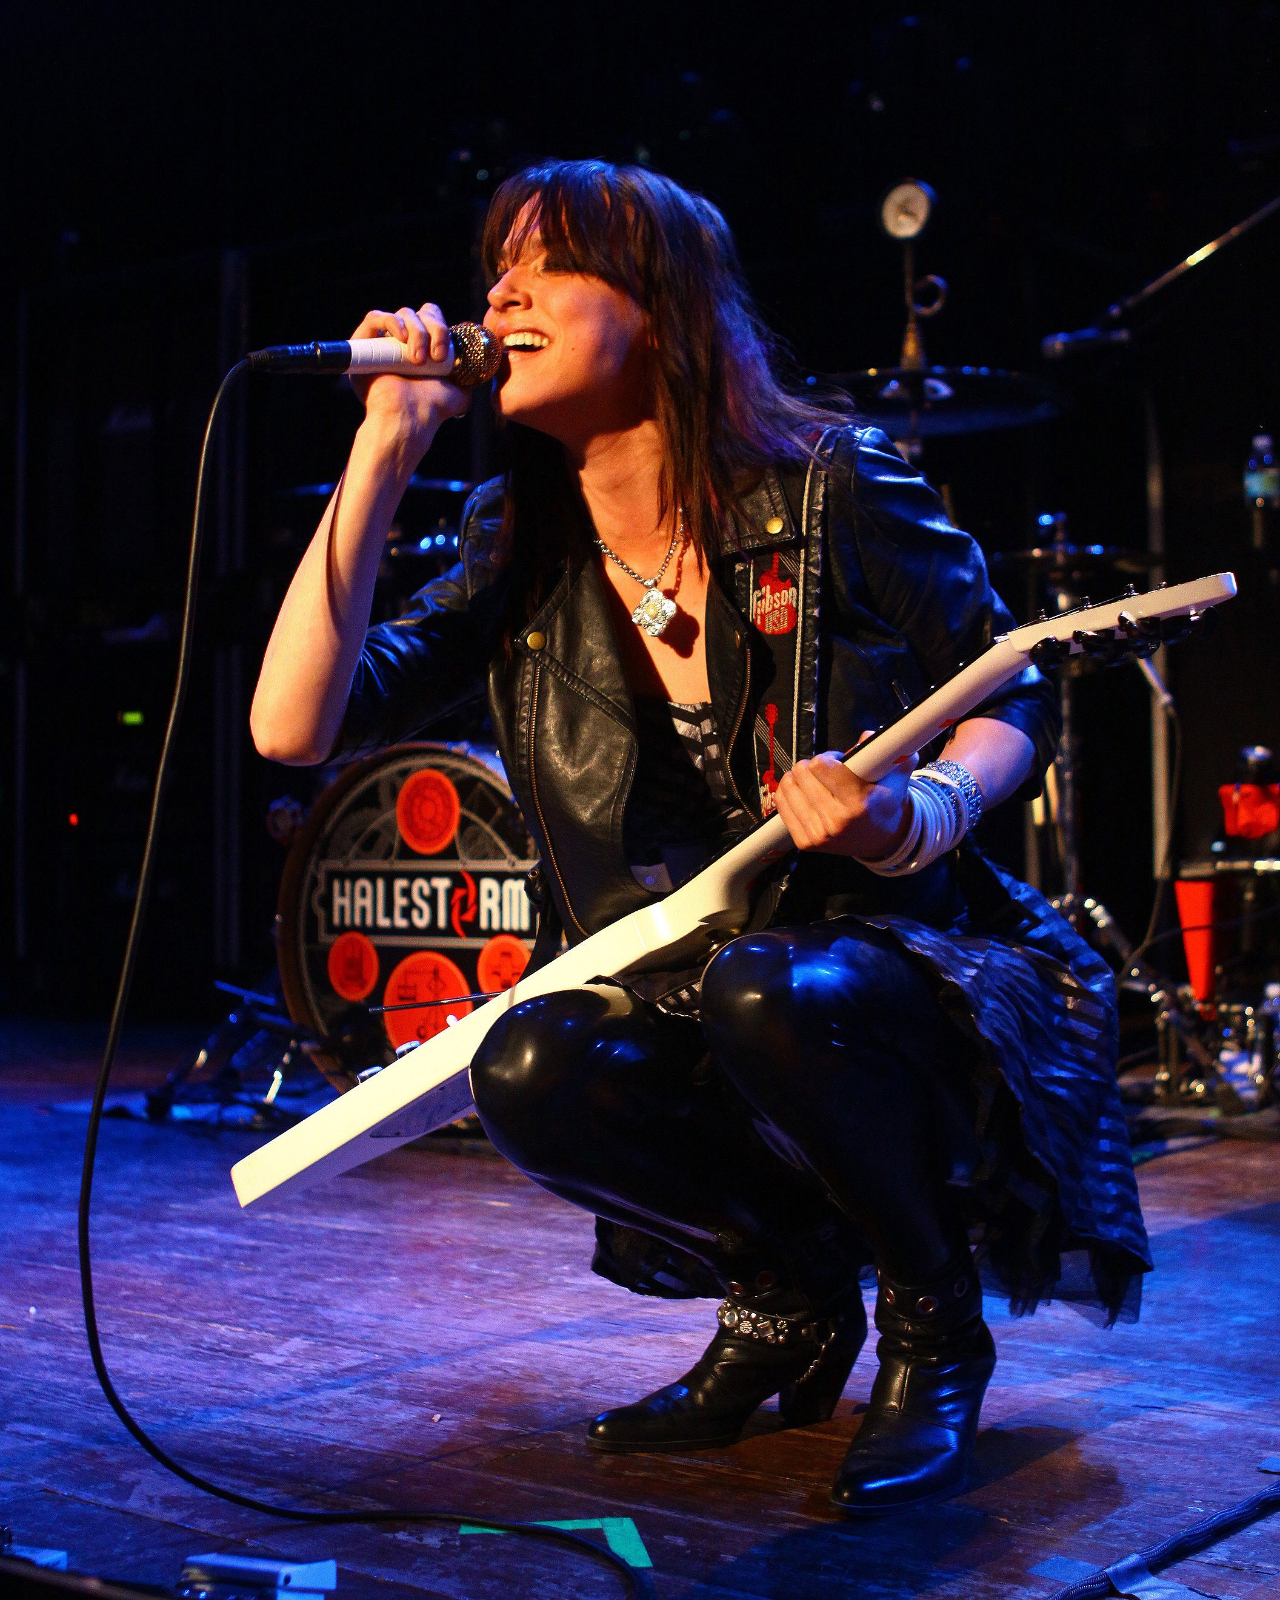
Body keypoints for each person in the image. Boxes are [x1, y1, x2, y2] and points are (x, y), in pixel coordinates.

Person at [251, 159, 1150, 1516]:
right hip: (690, 970)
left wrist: (923, 815)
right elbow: (292, 726)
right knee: (534, 1062)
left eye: (546, 265)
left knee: (766, 988)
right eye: (496, 268)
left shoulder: (827, 483)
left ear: (660, 311)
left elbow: (1006, 684)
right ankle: (786, 1301)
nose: (501, 294)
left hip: (904, 959)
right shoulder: (517, 544)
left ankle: (931, 1318)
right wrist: (386, 445)